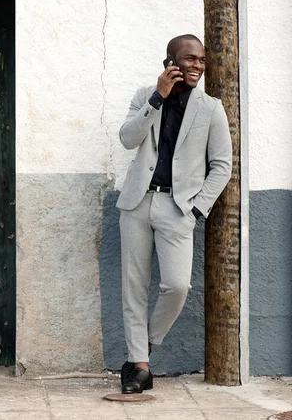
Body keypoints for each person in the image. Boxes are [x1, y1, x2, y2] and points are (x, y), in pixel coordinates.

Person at [116, 34, 232, 394]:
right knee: (134, 287)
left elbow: (222, 166)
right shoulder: (144, 96)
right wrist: (157, 97)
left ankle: (145, 345)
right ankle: (141, 368)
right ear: (171, 62)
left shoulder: (211, 108)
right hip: (136, 203)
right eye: (190, 59)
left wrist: (196, 209)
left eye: (202, 60)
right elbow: (127, 138)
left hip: (178, 208)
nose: (197, 65)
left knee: (177, 286)